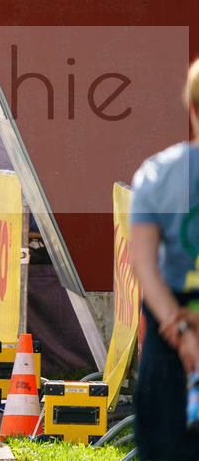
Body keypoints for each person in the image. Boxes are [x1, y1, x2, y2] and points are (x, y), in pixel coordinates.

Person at [129, 58, 199, 460]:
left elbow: (143, 265)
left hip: (169, 346)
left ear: (190, 106)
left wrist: (182, 329)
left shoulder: (156, 175)